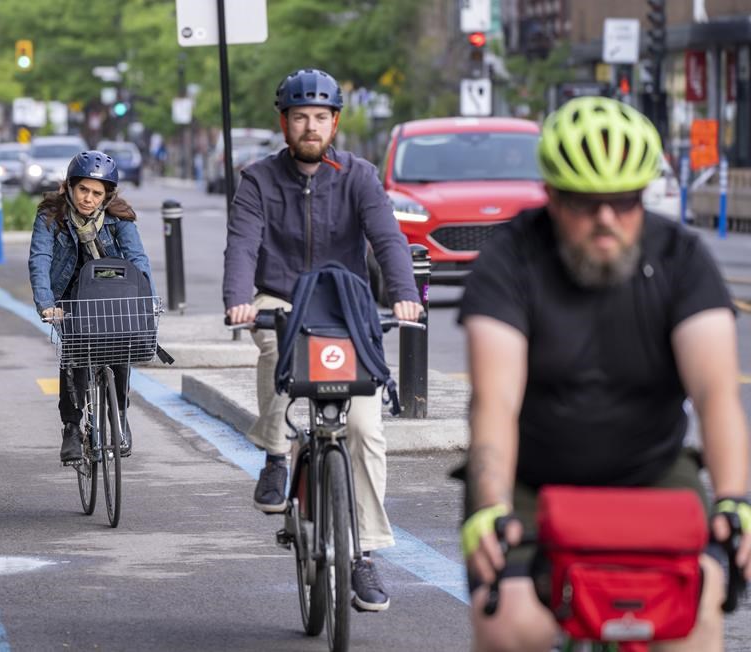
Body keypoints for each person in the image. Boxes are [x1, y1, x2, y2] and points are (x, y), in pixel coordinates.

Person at [457, 96, 750, 652]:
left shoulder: (681, 258)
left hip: (651, 472)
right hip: (530, 480)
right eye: (585, 204)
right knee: (511, 624)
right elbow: (495, 402)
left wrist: (736, 500)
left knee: (696, 612)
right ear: (551, 197)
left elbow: (716, 395)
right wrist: (491, 504)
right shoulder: (510, 259)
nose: (606, 220)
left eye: (624, 202)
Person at [223, 68, 424, 612]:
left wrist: (405, 294)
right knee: (273, 352)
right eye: (299, 117)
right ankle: (274, 455)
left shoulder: (359, 176)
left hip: (344, 307)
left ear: (334, 122)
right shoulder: (258, 179)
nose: (309, 126)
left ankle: (362, 554)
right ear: (283, 122)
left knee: (363, 426)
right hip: (281, 300)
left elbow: (387, 237)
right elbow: (243, 244)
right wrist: (238, 299)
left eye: (319, 117)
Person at [28, 151, 154, 464]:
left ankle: (119, 414)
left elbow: (137, 260)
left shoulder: (119, 219)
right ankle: (72, 428)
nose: (89, 198)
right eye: (83, 189)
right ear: (69, 187)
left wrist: (145, 301)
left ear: (107, 195)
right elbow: (40, 259)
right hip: (69, 298)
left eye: (97, 193)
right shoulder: (50, 217)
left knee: (122, 344)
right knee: (76, 354)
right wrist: (46, 304)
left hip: (112, 295)